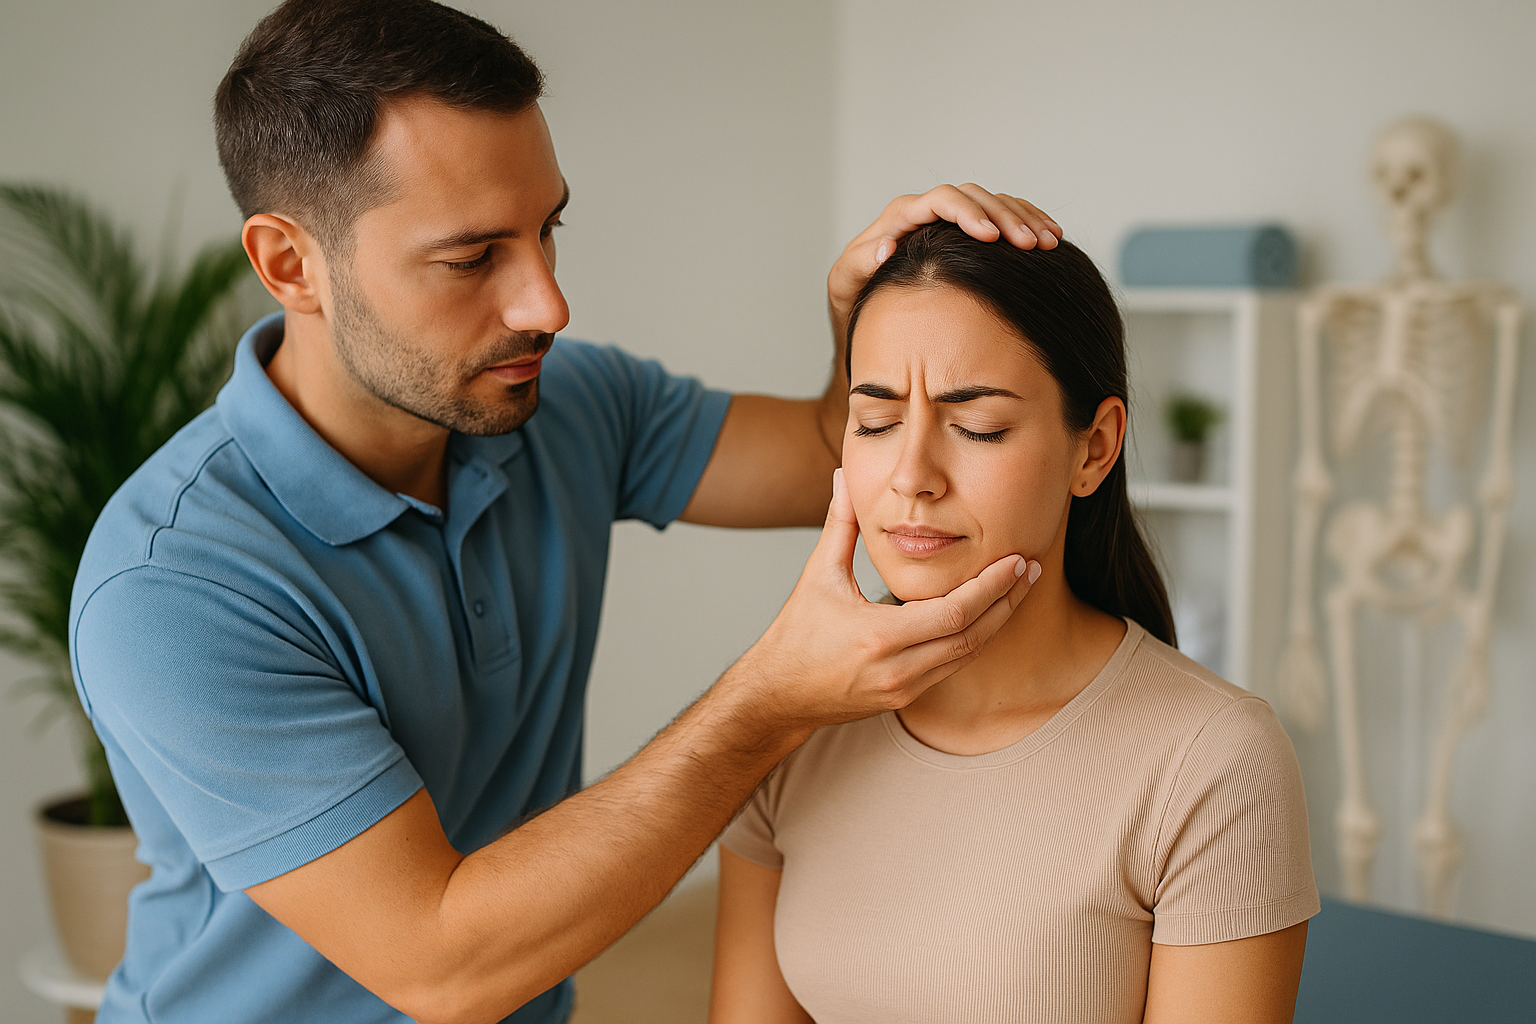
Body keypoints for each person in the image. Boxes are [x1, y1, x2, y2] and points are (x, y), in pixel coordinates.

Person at [65, 2, 1064, 1023]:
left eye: (548, 230)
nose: (548, 303)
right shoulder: (173, 581)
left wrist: (861, 323)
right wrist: (773, 699)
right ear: (290, 265)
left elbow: (823, 460)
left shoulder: (562, 402)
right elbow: (443, 965)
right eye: (472, 257)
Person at [711, 224, 1321, 1024]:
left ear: (1093, 449)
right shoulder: (789, 722)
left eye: (979, 427)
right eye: (877, 420)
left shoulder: (1213, 761)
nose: (911, 478)